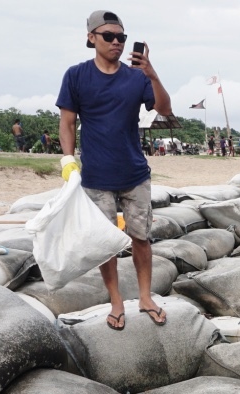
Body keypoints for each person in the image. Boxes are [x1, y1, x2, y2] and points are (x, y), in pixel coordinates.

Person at [57, 9, 172, 330]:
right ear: (91, 38)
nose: (117, 43)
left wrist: (152, 74)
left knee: (142, 238)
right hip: (95, 176)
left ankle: (146, 297)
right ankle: (116, 300)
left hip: (135, 173)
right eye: (109, 36)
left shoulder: (136, 78)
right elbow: (67, 122)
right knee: (105, 243)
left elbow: (164, 109)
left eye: (121, 37)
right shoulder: (77, 76)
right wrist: (68, 160)